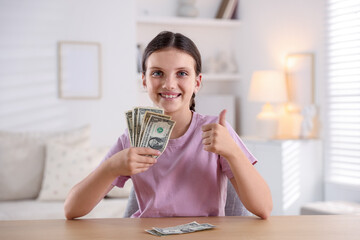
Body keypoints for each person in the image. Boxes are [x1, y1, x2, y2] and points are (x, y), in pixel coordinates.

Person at [64, 31, 273, 220]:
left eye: (182, 73)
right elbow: (72, 209)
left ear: (197, 83)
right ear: (144, 81)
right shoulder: (132, 138)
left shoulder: (216, 131)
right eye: (157, 73)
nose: (169, 84)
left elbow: (263, 208)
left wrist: (233, 152)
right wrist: (111, 167)